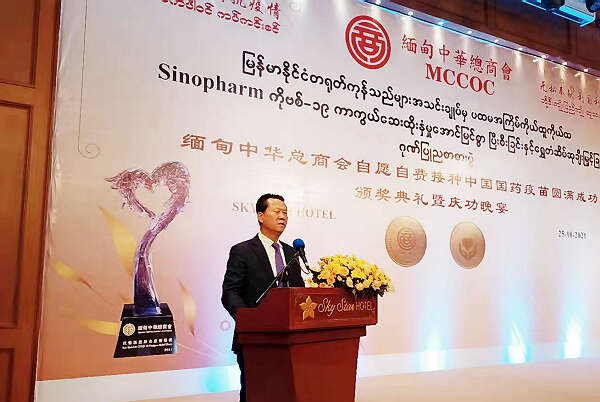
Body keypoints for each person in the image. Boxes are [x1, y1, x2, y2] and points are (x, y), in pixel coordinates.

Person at [221, 193, 305, 402]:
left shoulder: (292, 253)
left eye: (285, 213)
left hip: (291, 340)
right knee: (256, 393)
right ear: (260, 216)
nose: (282, 216)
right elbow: (230, 292)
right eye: (277, 212)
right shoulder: (242, 251)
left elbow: (299, 293)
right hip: (255, 340)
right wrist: (248, 320)